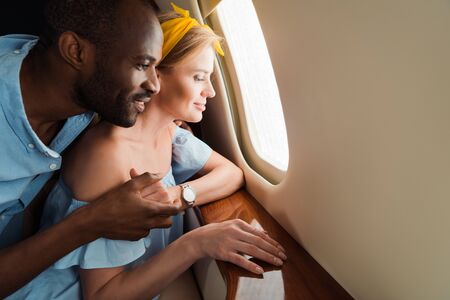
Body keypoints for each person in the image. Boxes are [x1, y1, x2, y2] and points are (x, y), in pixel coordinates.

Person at [7, 4, 288, 300]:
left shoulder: (169, 133)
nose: (211, 92)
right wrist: (196, 244)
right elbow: (101, 295)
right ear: (158, 74)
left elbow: (231, 174)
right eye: (198, 77)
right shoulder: (109, 156)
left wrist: (178, 196)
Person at [0, 0, 181, 297]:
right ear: (75, 51)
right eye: (142, 64)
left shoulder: (72, 91)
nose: (155, 85)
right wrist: (94, 221)